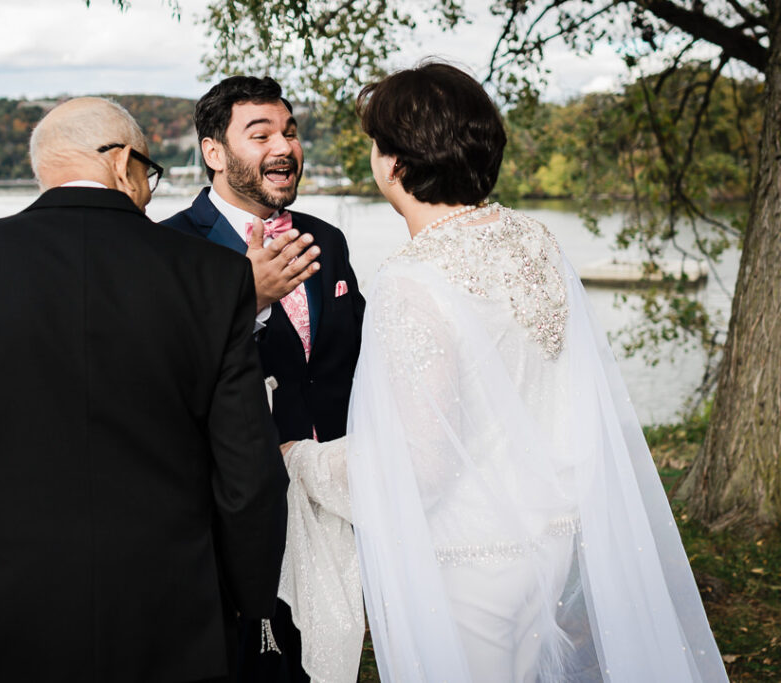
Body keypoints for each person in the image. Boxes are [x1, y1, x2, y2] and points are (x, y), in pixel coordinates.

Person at [280, 63, 729, 682]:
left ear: (395, 163)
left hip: (467, 560)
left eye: (377, 144)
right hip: (548, 540)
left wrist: (304, 462)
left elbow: (420, 468)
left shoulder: (412, 278)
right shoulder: (535, 238)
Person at [0, 96, 288, 683]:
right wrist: (242, 603)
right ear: (123, 162)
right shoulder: (213, 276)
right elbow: (249, 477)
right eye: (149, 175)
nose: (148, 191)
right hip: (173, 615)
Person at [162, 76, 366, 683]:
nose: (285, 147)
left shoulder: (326, 240)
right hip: (234, 504)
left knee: (332, 648)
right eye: (261, 134)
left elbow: (353, 361)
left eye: (291, 131)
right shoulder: (169, 247)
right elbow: (164, 377)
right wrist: (245, 303)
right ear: (214, 152)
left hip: (333, 492)